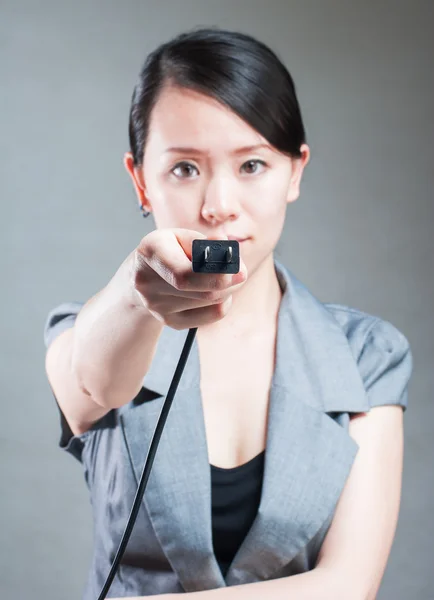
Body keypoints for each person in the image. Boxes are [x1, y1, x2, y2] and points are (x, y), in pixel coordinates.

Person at [43, 27, 413, 600]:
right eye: (184, 169)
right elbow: (94, 380)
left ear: (296, 171)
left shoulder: (368, 355)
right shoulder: (92, 329)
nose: (218, 207)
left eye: (252, 165)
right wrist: (136, 294)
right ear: (140, 179)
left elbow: (347, 586)